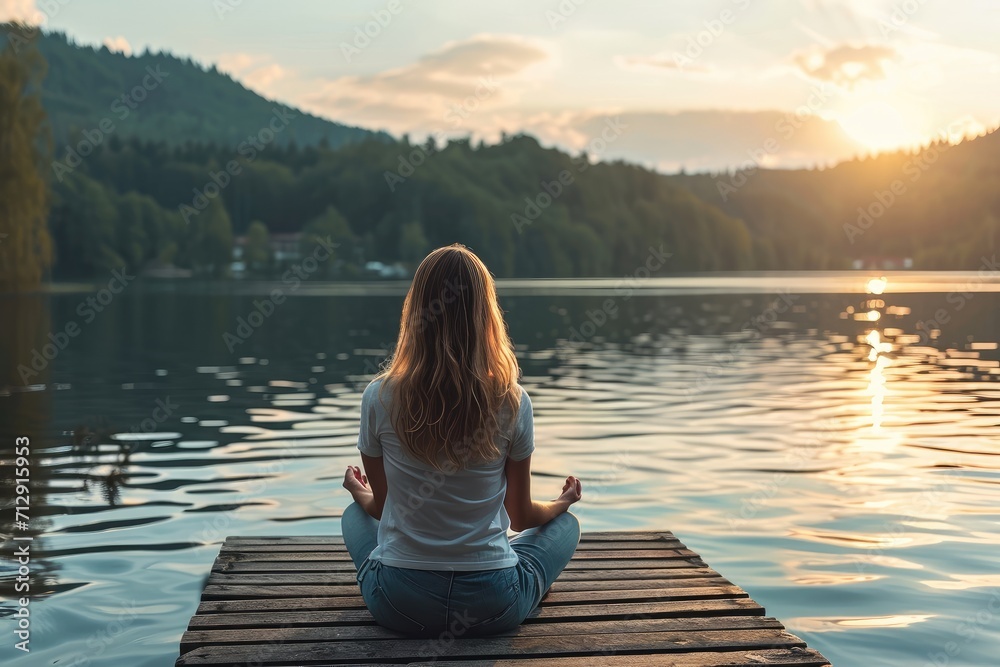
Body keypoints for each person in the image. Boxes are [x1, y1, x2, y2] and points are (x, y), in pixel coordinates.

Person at [340, 243, 582, 639]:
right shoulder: (512, 400)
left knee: (354, 514)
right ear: (485, 315)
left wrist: (356, 490)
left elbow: (382, 509)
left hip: (400, 605)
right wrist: (562, 502)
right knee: (566, 526)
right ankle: (525, 583)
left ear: (416, 311)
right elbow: (520, 518)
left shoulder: (378, 397)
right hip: (492, 605)